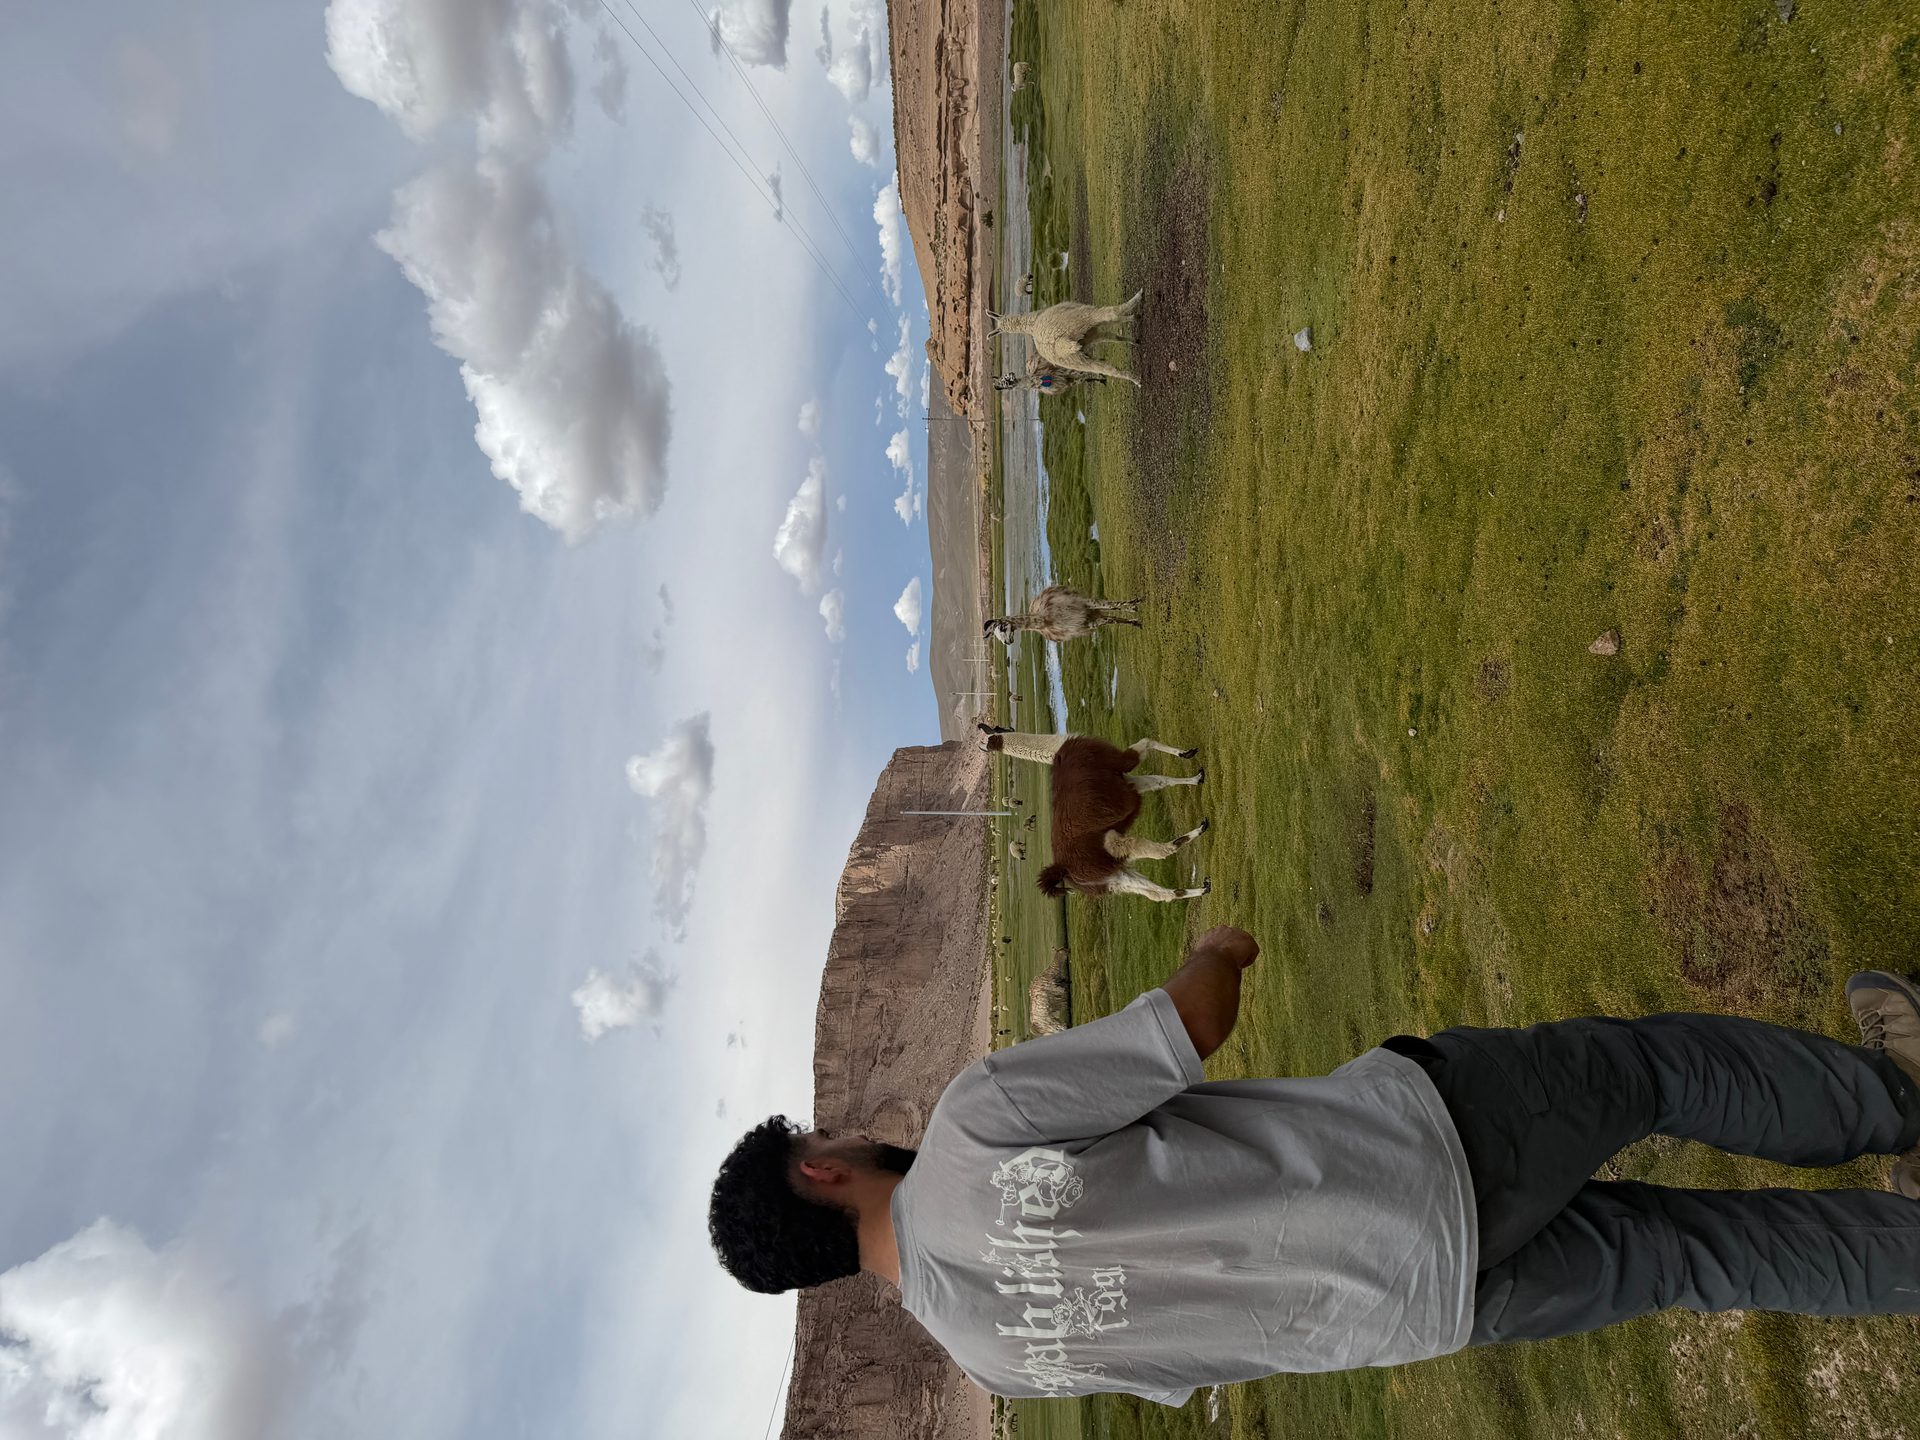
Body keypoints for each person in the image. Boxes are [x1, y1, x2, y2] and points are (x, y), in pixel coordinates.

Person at [707, 927, 1920, 1405]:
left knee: (1704, 1263)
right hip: (1418, 1151)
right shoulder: (970, 1128)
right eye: (822, 1139)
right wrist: (1213, 951)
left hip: (1425, 1308)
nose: (843, 1135)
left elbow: (1195, 1353)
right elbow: (1189, 1028)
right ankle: (1898, 1093)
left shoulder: (996, 1364)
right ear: (820, 1175)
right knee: (1649, 1073)